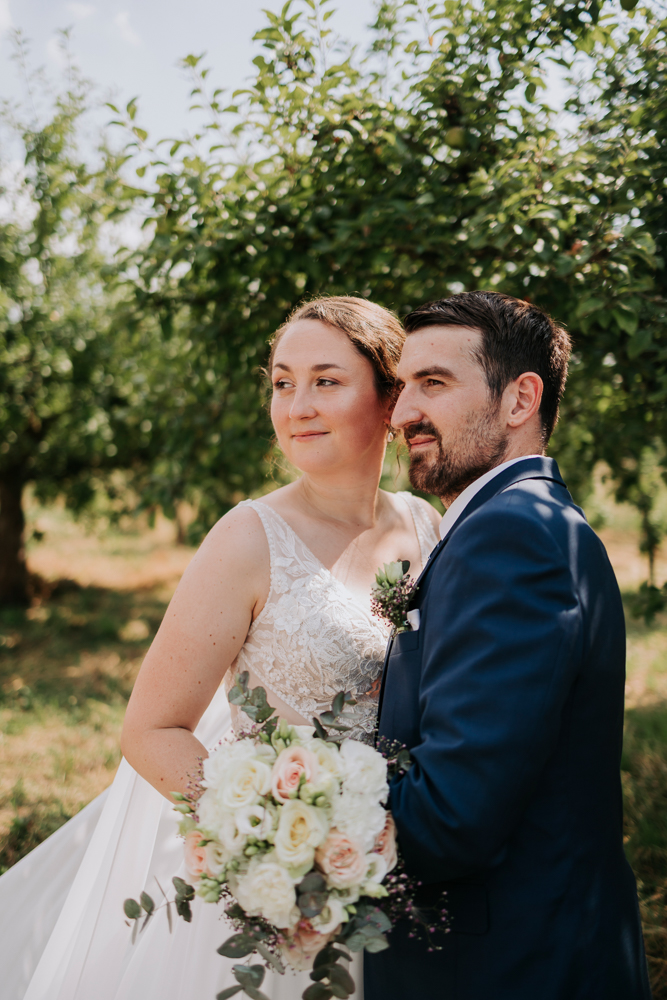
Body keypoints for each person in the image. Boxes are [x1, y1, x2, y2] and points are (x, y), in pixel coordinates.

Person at [3, 295, 440, 1000]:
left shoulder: (425, 523)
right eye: (280, 381)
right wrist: (274, 843)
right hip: (288, 889)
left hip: (408, 864)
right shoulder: (246, 538)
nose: (296, 404)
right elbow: (151, 729)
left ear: (391, 397)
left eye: (325, 380)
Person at [365, 290, 652, 1000]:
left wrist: (298, 824)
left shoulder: (511, 535)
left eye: (432, 384)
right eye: (401, 388)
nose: (400, 415)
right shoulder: (511, 521)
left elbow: (449, 820)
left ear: (520, 398)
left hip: (506, 967)